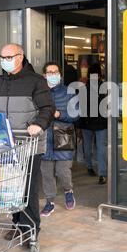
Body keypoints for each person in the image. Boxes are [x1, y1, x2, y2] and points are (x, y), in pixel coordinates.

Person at [0, 44, 55, 246]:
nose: (4, 60)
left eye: (9, 56)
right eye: (2, 57)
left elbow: (47, 108)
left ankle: (31, 230)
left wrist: (38, 124)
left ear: (20, 57)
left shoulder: (36, 81)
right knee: (10, 186)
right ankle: (17, 224)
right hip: (5, 146)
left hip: (29, 145)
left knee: (28, 189)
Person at [40, 62, 79, 217]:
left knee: (63, 171)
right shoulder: (39, 92)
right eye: (49, 72)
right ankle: (50, 202)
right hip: (44, 137)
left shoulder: (69, 92)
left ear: (60, 75)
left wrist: (59, 115)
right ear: (44, 75)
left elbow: (76, 115)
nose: (53, 74)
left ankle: (68, 190)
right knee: (47, 173)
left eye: (55, 72)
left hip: (63, 135)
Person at [79, 62, 108, 185]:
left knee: (87, 145)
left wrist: (79, 124)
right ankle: (102, 174)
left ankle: (89, 166)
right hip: (101, 122)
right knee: (101, 148)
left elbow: (80, 107)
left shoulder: (83, 88)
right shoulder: (105, 88)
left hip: (87, 122)